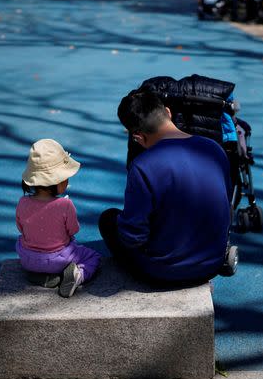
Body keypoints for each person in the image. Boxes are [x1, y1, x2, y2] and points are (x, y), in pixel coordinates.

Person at [99, 90, 235, 286]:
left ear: (138, 137)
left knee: (108, 219)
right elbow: (226, 201)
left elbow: (133, 236)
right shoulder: (214, 149)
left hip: (162, 272)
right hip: (211, 265)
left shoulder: (143, 165)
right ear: (169, 113)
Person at [16, 139, 101, 297]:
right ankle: (78, 276)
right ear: (57, 181)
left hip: (28, 259)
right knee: (92, 256)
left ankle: (44, 277)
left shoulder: (22, 202)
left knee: (22, 241)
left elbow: (21, 228)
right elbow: (73, 230)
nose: (67, 181)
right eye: (66, 178)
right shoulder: (65, 205)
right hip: (59, 260)